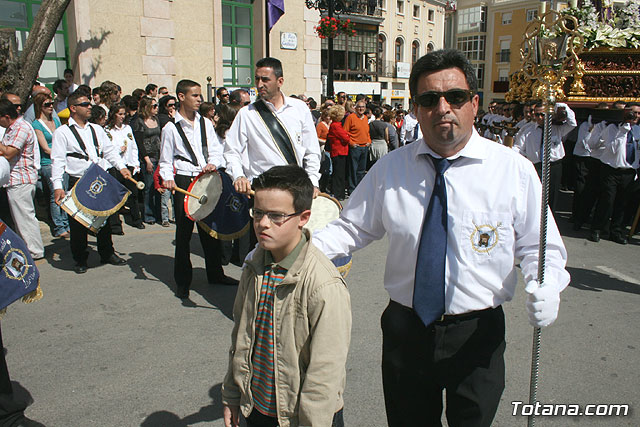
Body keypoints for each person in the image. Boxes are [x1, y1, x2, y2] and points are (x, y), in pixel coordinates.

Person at [313, 49, 570, 427]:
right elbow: (351, 228)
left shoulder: (511, 170)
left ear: (474, 103)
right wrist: (293, 251)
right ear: (416, 108)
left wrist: (546, 283)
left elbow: (539, 244)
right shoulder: (390, 169)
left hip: (476, 332)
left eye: (456, 97)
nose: (443, 107)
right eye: (430, 99)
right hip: (407, 330)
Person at [221, 165, 351, 427]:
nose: (263, 224)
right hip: (257, 408)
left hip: (301, 417)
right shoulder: (254, 266)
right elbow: (241, 337)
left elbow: (325, 372)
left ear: (303, 217)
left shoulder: (323, 284)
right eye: (257, 213)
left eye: (276, 216)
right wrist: (232, 394)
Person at [159, 79, 234, 299]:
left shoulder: (205, 123)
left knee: (209, 229)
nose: (199, 99)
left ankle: (215, 273)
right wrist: (168, 178)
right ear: (181, 97)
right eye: (195, 95)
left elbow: (217, 151)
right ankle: (182, 281)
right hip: (184, 180)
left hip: (205, 178)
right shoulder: (170, 128)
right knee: (183, 232)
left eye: (200, 95)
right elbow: (165, 160)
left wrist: (214, 163)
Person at [51, 91, 131, 274]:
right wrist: (57, 187)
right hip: (78, 180)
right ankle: (80, 258)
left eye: (89, 104)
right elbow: (58, 161)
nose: (89, 107)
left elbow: (109, 151)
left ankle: (107, 252)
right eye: (85, 104)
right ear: (73, 108)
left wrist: (121, 167)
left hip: (100, 177)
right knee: (78, 223)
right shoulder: (62, 133)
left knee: (105, 218)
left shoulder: (96, 129)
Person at [224, 57, 321, 197]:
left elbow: (311, 150)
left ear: (280, 81)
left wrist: (312, 181)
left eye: (265, 79)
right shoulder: (246, 113)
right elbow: (232, 151)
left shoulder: (299, 108)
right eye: (257, 79)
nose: (259, 84)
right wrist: (238, 176)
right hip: (262, 189)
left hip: (295, 188)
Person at [586, 107, 640, 244]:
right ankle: (596, 228)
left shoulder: (638, 130)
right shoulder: (612, 129)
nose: (635, 116)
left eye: (638, 113)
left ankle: (615, 231)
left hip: (628, 171)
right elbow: (613, 149)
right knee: (607, 200)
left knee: (622, 203)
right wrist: (623, 131)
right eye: (632, 113)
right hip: (611, 169)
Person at [0, 100, 45, 260]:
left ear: (6, 117)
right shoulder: (12, 128)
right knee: (20, 218)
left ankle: (34, 251)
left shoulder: (20, 127)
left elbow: (9, 152)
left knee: (25, 217)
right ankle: (27, 248)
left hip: (21, 179)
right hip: (14, 180)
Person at [513, 101, 577, 212]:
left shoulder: (557, 128)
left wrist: (561, 105)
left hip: (554, 166)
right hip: (537, 166)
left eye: (543, 114)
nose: (540, 117)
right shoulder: (528, 130)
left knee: (552, 196)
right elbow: (518, 148)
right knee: (535, 196)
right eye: (537, 114)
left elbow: (572, 123)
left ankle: (550, 222)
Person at [31, 92, 69, 238]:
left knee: (64, 193)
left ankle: (66, 222)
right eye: (47, 105)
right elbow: (45, 147)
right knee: (56, 194)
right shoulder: (36, 124)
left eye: (51, 104)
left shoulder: (56, 120)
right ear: (40, 107)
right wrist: (59, 152)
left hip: (62, 160)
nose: (50, 107)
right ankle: (59, 226)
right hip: (48, 162)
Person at [104, 103, 144, 232]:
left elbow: (133, 147)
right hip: (114, 166)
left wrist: (135, 164)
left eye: (123, 114)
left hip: (128, 165)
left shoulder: (127, 128)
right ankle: (115, 225)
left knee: (133, 194)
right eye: (119, 114)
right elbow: (107, 149)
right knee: (115, 196)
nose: (122, 117)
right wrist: (118, 149)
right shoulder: (107, 130)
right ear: (113, 114)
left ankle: (136, 219)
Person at [132, 97, 162, 224]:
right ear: (147, 107)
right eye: (154, 106)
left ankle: (159, 213)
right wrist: (147, 160)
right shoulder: (139, 122)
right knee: (149, 187)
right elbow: (139, 143)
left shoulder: (156, 120)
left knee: (159, 187)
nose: (156, 108)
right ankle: (148, 214)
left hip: (158, 155)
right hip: (148, 158)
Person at [343, 99, 370, 192]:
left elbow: (367, 132)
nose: (361, 109)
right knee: (353, 170)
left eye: (363, 107)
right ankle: (352, 189)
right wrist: (351, 143)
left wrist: (369, 141)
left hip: (364, 147)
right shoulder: (351, 117)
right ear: (355, 108)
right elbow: (345, 132)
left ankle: (360, 189)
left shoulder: (365, 118)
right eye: (359, 107)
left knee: (361, 170)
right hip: (355, 147)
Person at [327, 105, 350, 201]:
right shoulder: (336, 125)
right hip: (339, 151)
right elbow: (346, 138)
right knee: (339, 174)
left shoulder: (335, 125)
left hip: (338, 151)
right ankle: (338, 193)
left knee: (339, 173)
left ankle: (339, 193)